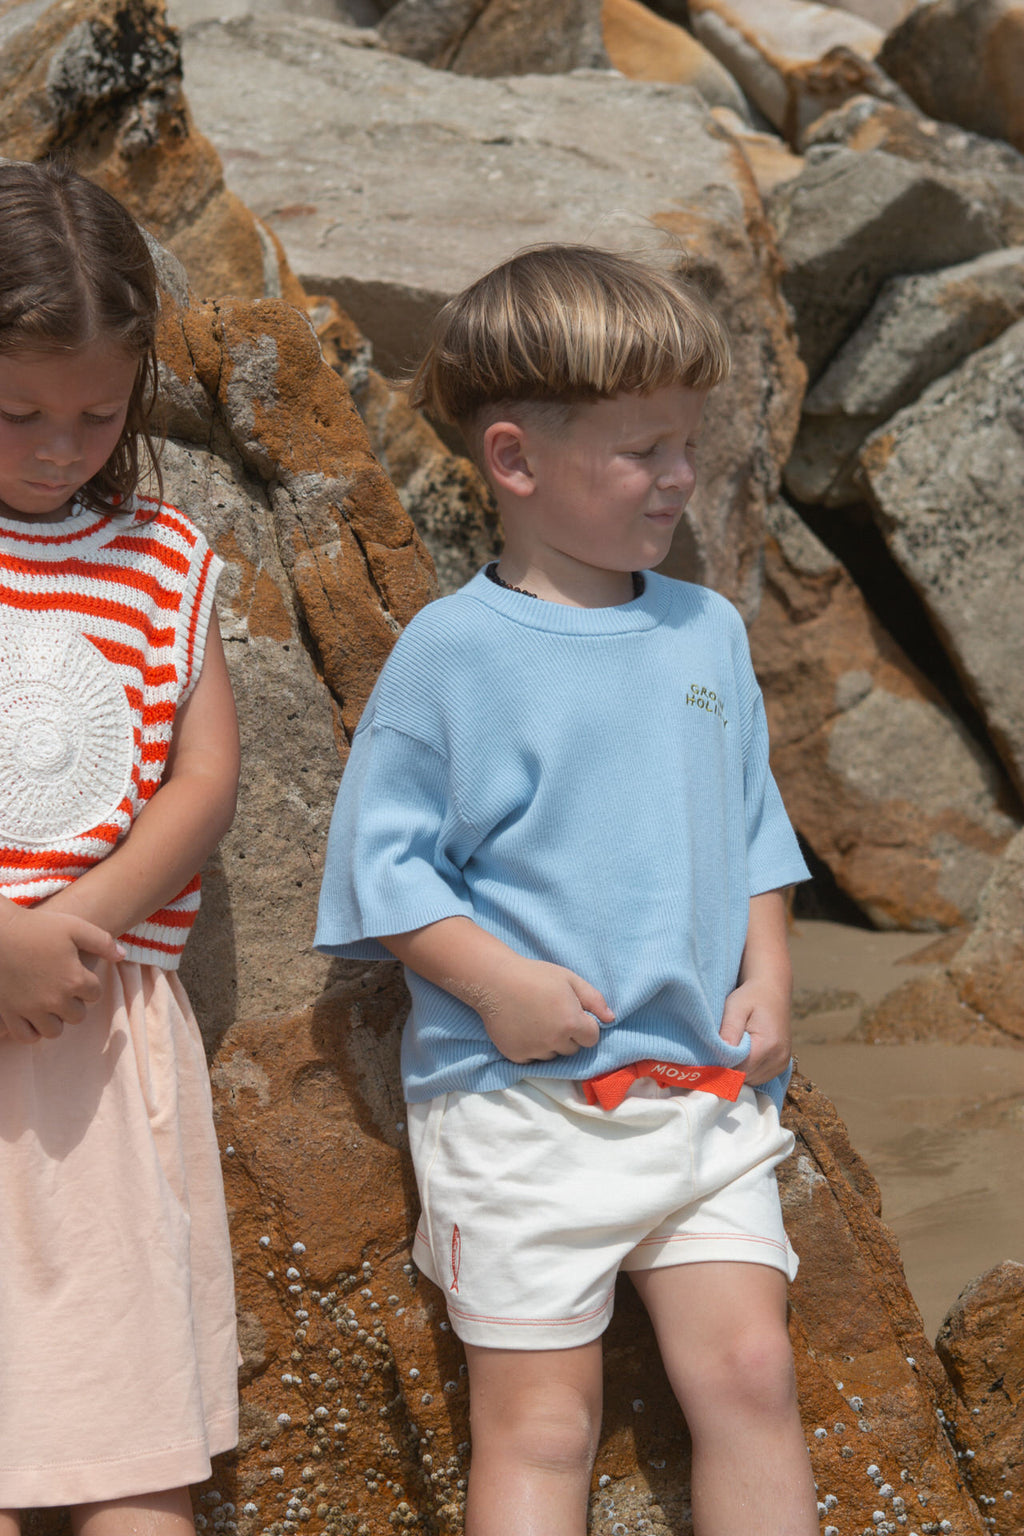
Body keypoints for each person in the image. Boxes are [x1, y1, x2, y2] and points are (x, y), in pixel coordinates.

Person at [315, 244, 818, 1536]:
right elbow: (382, 868)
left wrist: (769, 975)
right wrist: (497, 985)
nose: (682, 476)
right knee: (541, 1428)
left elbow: (752, 828)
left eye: (688, 442)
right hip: (516, 1109)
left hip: (702, 1093)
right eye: (645, 450)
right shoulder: (452, 653)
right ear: (514, 460)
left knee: (753, 1373)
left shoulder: (706, 631)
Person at [0, 161, 239, 1534]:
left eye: (97, 415)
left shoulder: (161, 556)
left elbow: (203, 779)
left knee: (132, 1450)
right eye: (19, 412)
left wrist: (68, 935)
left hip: (99, 1039)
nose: (59, 448)